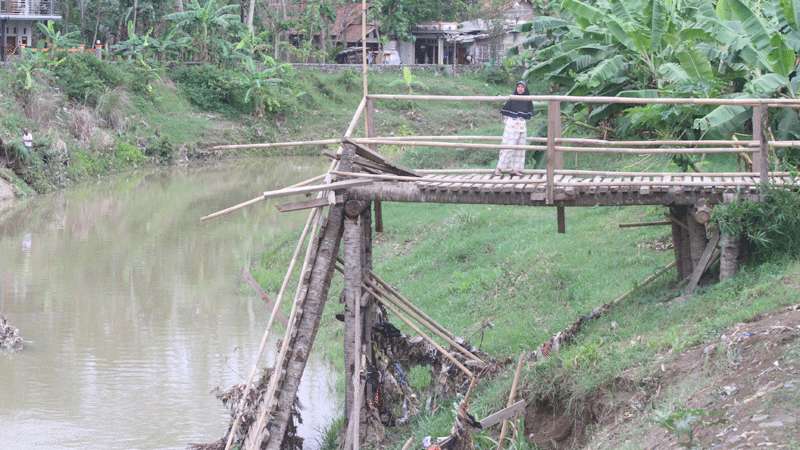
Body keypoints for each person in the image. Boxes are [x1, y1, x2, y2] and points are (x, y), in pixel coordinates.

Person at [495, 81, 533, 176]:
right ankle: (500, 168)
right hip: (512, 124)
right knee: (509, 146)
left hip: (522, 124)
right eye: (518, 87)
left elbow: (528, 113)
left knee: (520, 147)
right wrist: (511, 122)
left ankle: (516, 169)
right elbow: (505, 113)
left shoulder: (528, 100)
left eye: (522, 87)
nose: (520, 89)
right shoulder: (512, 98)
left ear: (525, 89)